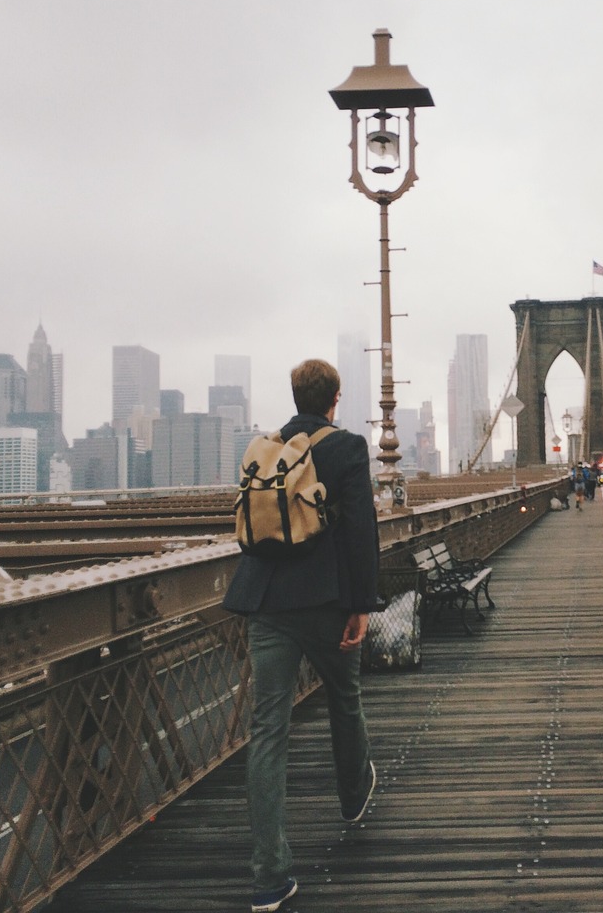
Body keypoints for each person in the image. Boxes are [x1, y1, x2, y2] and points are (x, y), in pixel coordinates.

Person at [224, 359, 380, 913]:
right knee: (345, 697)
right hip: (327, 601)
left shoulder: (268, 446)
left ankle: (269, 876)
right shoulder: (346, 448)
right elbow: (361, 530)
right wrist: (363, 605)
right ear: (335, 397)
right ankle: (353, 795)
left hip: (264, 600)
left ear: (295, 396)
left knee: (268, 731)